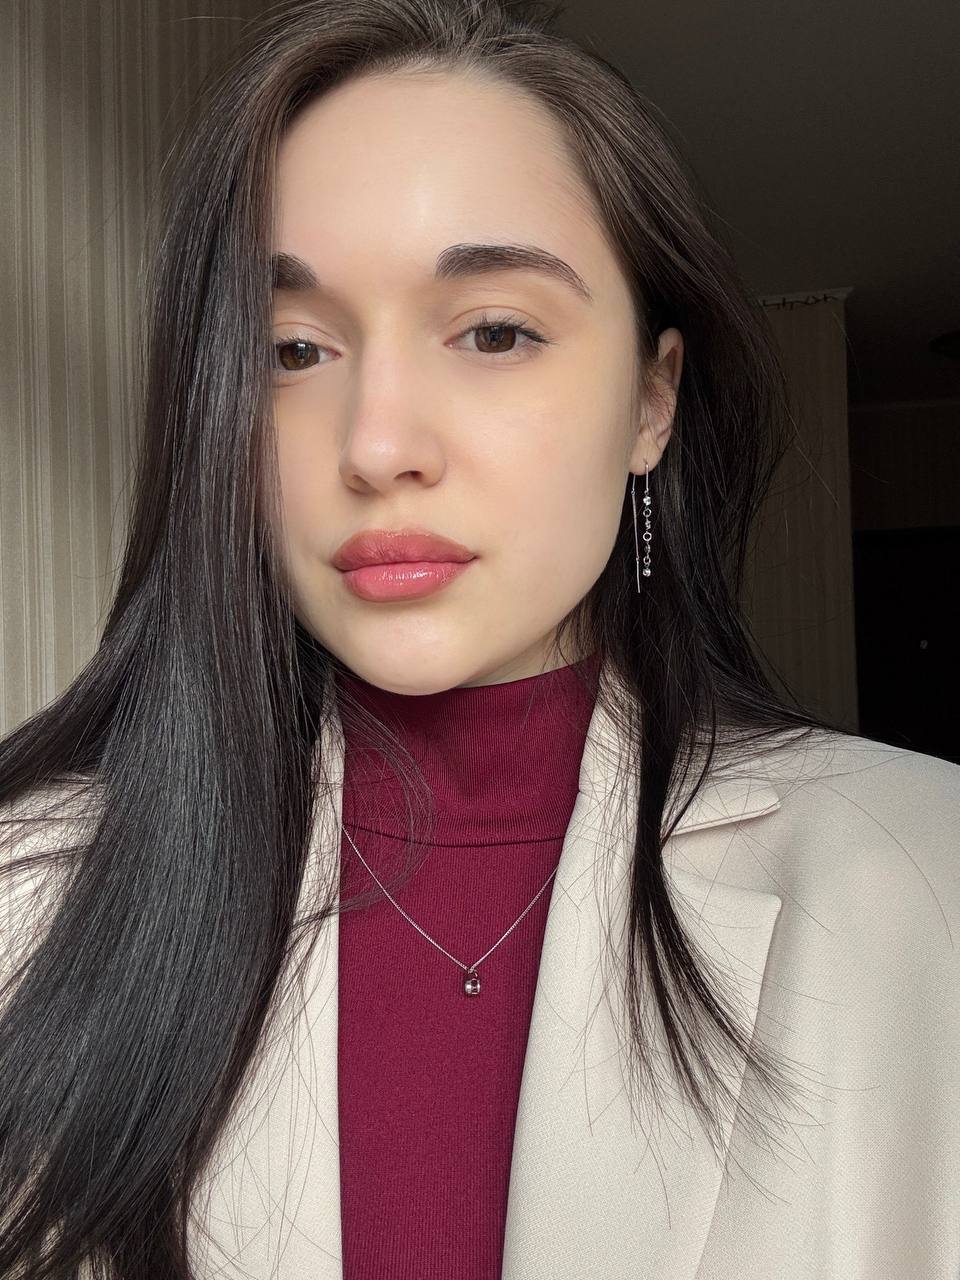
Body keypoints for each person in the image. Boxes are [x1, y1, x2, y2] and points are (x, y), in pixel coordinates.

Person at [1, 0, 957, 1276]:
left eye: (494, 331)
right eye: (292, 348)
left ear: (652, 399)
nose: (378, 444)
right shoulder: (33, 893)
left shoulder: (922, 878)